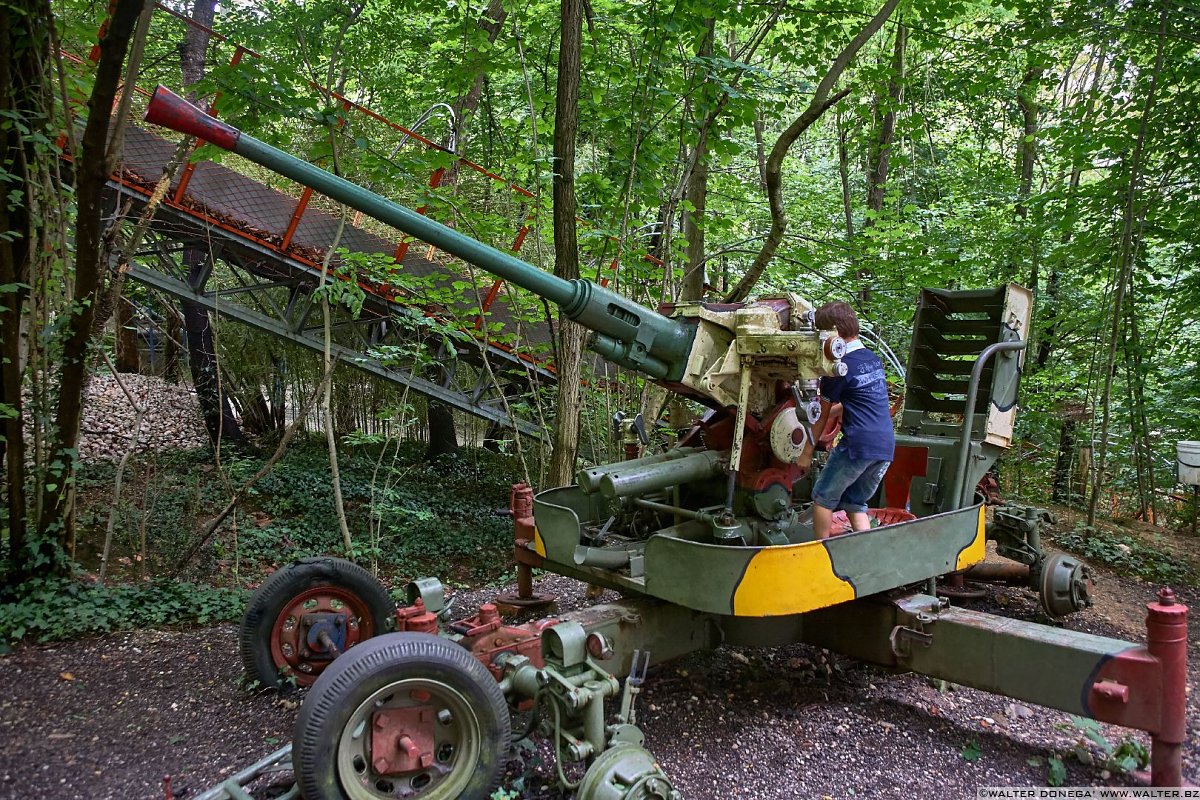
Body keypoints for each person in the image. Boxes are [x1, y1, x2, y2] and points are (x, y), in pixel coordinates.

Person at [797, 301, 895, 539]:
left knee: (822, 498)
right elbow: (860, 400)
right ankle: (864, 554)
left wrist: (807, 452)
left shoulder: (838, 368)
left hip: (857, 446)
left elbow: (819, 417)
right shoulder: (872, 359)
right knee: (855, 502)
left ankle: (821, 555)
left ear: (832, 333)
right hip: (885, 447)